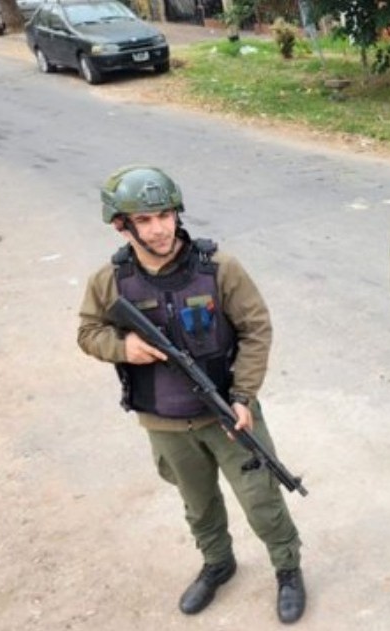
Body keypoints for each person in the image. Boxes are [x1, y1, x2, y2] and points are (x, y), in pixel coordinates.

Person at [76, 165, 307, 624]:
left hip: (228, 414)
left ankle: (288, 568)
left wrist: (242, 394)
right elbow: (88, 331)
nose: (159, 229)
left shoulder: (219, 269)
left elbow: (256, 329)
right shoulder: (110, 280)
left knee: (261, 499)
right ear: (121, 224)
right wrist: (122, 347)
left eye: (164, 215)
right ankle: (218, 562)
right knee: (197, 503)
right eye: (144, 220)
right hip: (163, 420)